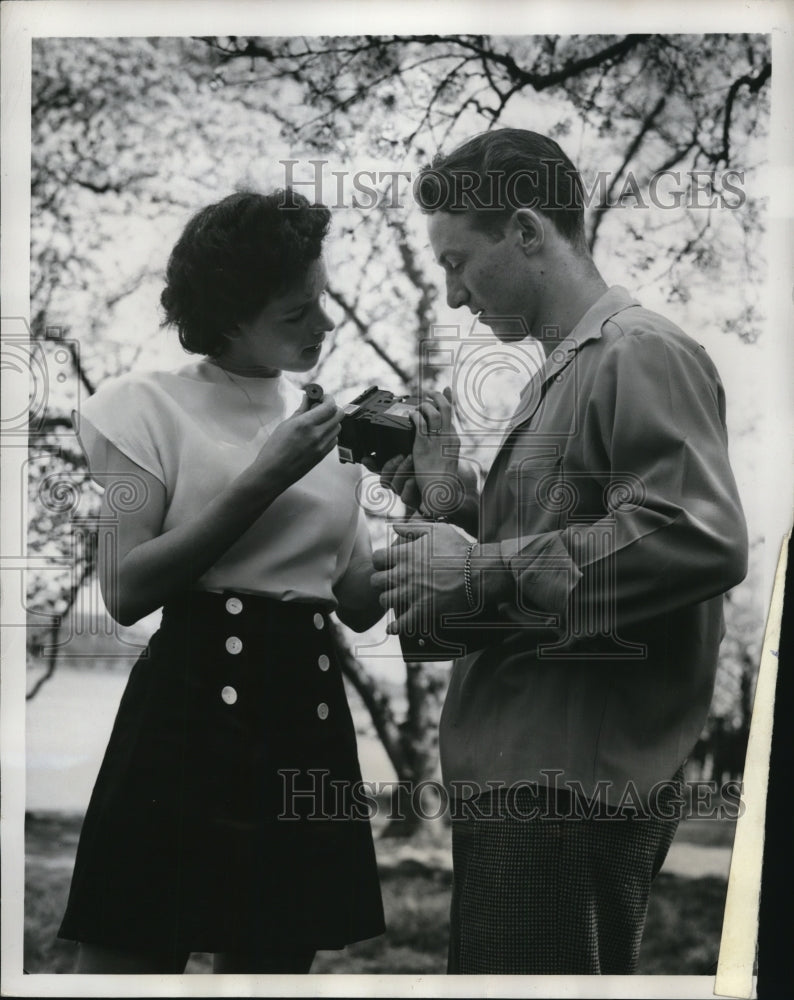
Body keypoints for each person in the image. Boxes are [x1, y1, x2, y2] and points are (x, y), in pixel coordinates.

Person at [372, 129, 748, 974]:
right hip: (523, 782)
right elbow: (519, 588)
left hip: (566, 790)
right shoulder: (561, 374)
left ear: (530, 232)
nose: (454, 292)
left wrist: (477, 564)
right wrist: (449, 503)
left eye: (459, 261)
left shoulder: (639, 352)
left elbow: (697, 535)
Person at [58, 189, 385, 974]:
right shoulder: (139, 410)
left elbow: (360, 602)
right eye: (296, 313)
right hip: (190, 709)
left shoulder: (325, 425)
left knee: (274, 966)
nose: (324, 325)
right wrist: (262, 478)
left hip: (304, 718)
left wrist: (434, 498)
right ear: (231, 317)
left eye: (323, 302)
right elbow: (127, 590)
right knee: (126, 960)